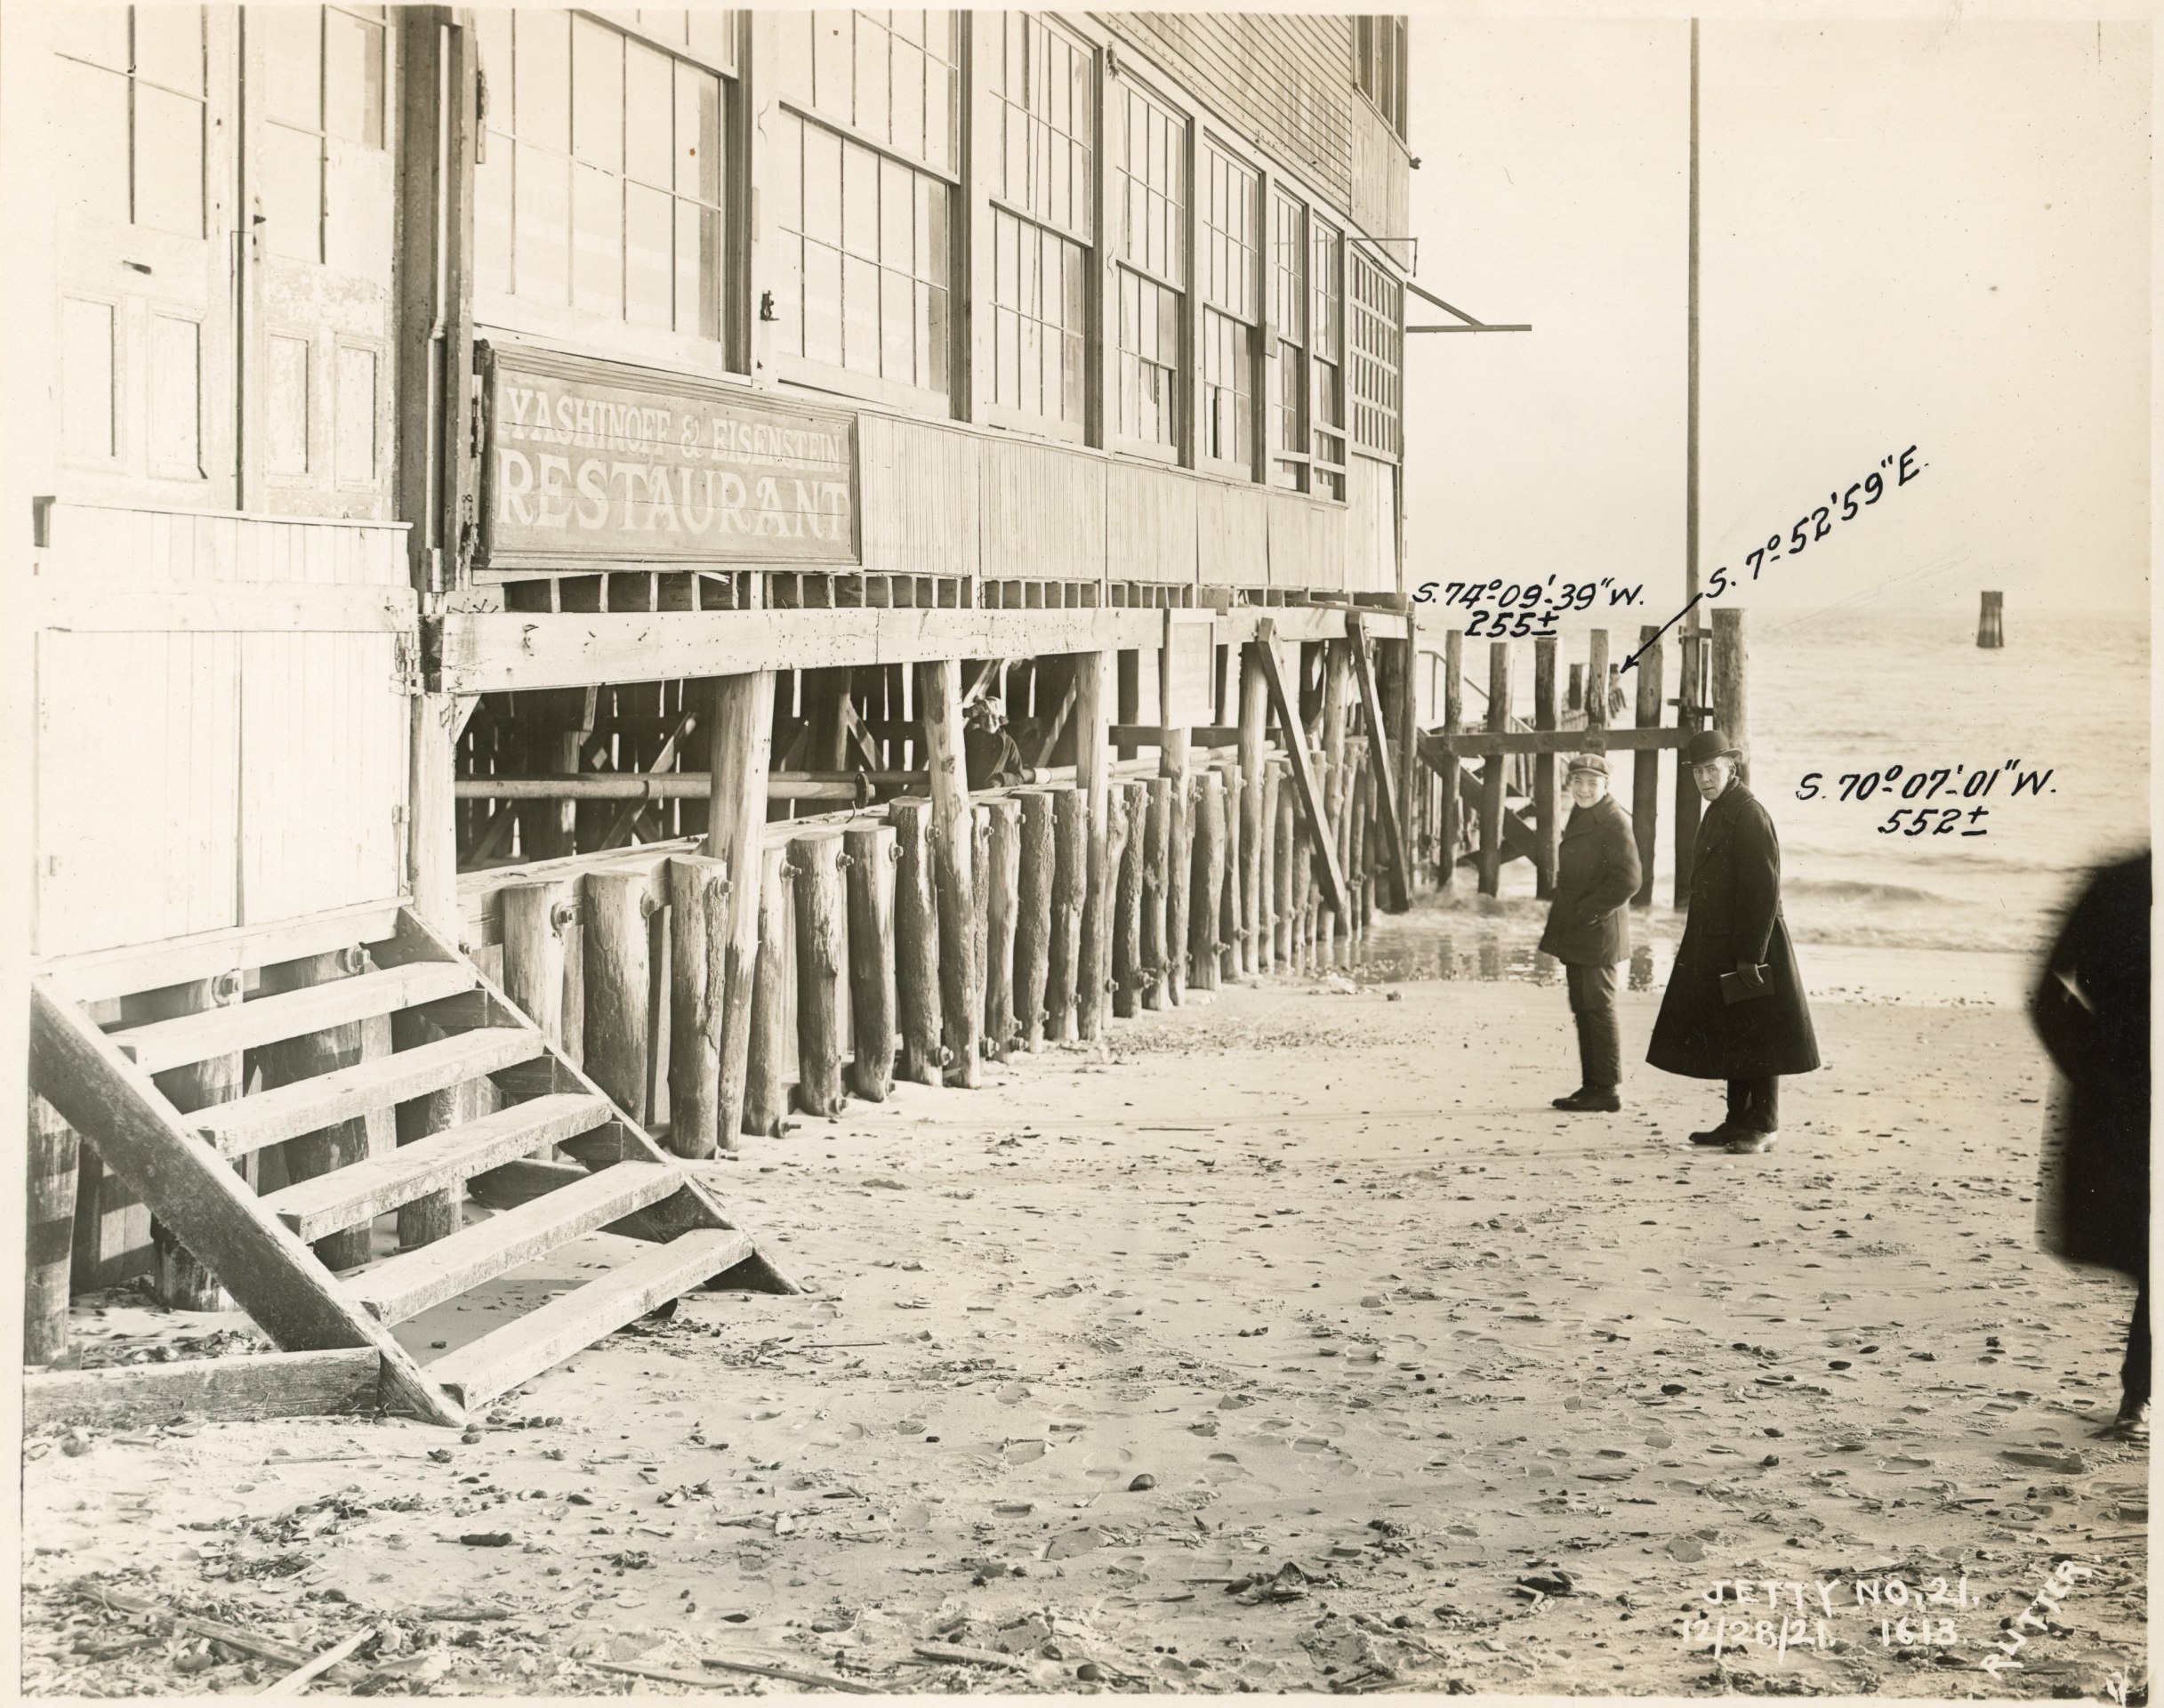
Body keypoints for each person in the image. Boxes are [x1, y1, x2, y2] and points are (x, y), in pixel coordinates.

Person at [1645, 729, 1820, 1153]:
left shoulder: (1749, 812)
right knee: (1734, 1032)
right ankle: (1736, 1121)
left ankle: (1763, 1127)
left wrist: (1750, 955)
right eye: (1698, 772)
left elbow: (1764, 889)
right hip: (1723, 941)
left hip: (1752, 943)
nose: (1705, 779)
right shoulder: (1722, 807)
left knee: (1759, 1036)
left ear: (1731, 768)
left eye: (1712, 770)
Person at [2031, 851, 2150, 1439]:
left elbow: (2043, 989)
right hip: (2127, 1094)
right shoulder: (2118, 882)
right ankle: (2137, 1397)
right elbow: (2045, 987)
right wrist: (2095, 1068)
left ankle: (2137, 1398)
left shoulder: (2117, 879)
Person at [1539, 754, 1642, 1112]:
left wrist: (1587, 912)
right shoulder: (1584, 812)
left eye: (1592, 784)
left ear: (1606, 786)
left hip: (1597, 931)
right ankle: (1591, 1085)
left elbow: (1629, 880)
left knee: (1598, 1007)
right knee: (1583, 1006)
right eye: (1578, 782)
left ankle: (1608, 1090)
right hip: (1580, 928)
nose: (1584, 790)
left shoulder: (1613, 822)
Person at [962, 694, 1027, 790]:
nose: (989, 721)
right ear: (978, 720)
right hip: (969, 794)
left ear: (1001, 719)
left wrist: (1000, 780)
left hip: (993, 797)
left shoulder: (1008, 743)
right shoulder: (970, 739)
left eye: (994, 716)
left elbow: (1019, 777)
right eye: (984, 716)